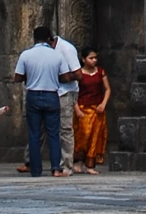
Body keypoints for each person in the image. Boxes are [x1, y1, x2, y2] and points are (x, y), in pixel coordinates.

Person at [14, 25, 74, 177]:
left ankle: (35, 170)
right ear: (49, 38)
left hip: (33, 94)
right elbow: (66, 77)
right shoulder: (57, 55)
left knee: (34, 134)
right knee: (53, 133)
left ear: (34, 39)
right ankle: (55, 168)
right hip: (51, 95)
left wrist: (30, 76)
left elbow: (17, 77)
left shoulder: (26, 55)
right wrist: (53, 76)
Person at [73, 50, 110, 172]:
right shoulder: (79, 74)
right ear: (84, 59)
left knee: (95, 136)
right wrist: (77, 109)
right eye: (91, 58)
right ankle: (78, 161)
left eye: (95, 58)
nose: (94, 60)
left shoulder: (100, 72)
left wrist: (103, 103)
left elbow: (107, 89)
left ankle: (90, 165)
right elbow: (73, 92)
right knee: (83, 135)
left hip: (97, 108)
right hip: (83, 108)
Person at [53, 27, 81, 173]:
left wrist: (59, 77)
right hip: (51, 91)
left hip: (65, 91)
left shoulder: (66, 49)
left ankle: (67, 165)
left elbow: (78, 74)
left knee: (65, 128)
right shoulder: (46, 51)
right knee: (43, 127)